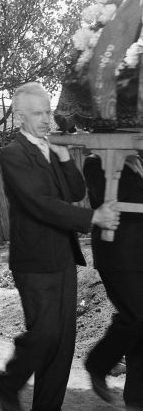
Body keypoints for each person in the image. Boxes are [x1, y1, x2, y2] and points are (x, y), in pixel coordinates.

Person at [0, 82, 120, 411]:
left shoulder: (52, 150)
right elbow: (41, 203)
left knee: (63, 344)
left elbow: (75, 191)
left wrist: (64, 159)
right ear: (20, 116)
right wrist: (93, 217)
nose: (46, 119)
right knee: (47, 334)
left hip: (64, 257)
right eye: (38, 113)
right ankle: (9, 382)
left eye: (48, 112)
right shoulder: (13, 155)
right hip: (33, 262)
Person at [83, 152, 143, 410]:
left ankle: (137, 399)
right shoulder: (97, 160)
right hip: (117, 253)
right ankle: (97, 363)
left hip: (139, 254)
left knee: (140, 324)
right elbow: (110, 198)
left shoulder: (139, 160)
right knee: (136, 316)